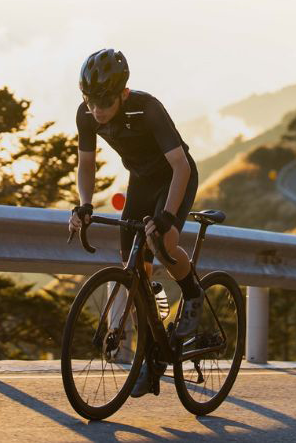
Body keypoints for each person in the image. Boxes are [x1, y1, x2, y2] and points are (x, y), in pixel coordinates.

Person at [67, 48, 201, 397]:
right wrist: (84, 204)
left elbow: (181, 166)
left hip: (174, 179)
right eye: (90, 100)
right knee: (132, 264)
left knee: (163, 244)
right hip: (141, 182)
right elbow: (86, 164)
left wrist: (168, 217)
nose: (97, 110)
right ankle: (154, 352)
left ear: (123, 94)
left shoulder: (147, 108)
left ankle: (193, 294)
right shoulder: (87, 114)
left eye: (105, 102)